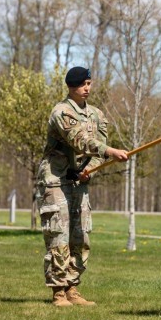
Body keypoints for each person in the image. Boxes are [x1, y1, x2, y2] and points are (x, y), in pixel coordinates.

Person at [36, 66, 127, 307]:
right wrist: (109, 152)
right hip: (55, 180)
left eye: (89, 83)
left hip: (79, 181)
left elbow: (99, 146)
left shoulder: (96, 114)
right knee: (59, 234)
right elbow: (80, 140)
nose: (87, 88)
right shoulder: (61, 111)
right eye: (82, 84)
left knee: (81, 234)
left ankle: (73, 287)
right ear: (71, 86)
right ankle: (58, 290)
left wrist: (91, 168)